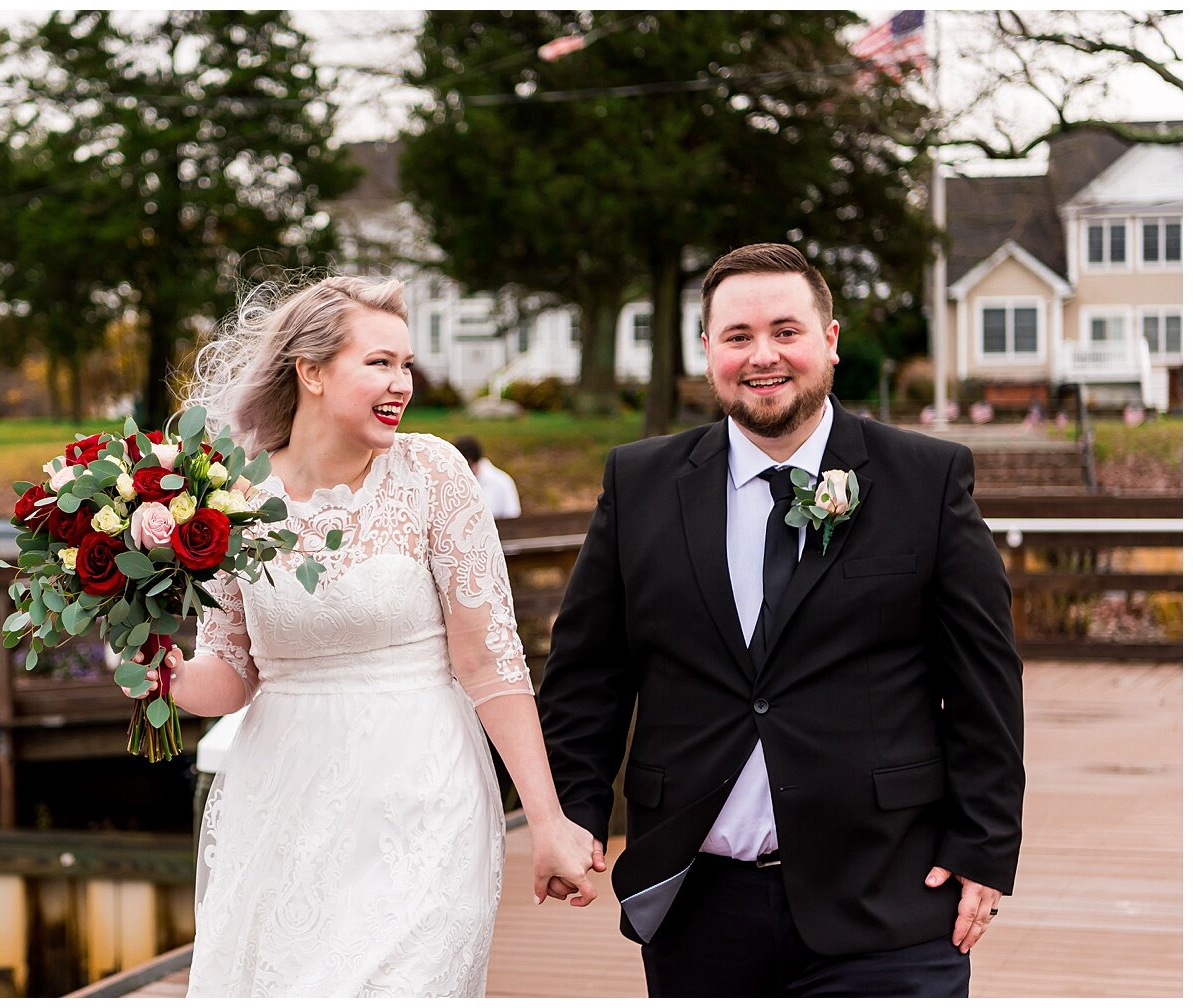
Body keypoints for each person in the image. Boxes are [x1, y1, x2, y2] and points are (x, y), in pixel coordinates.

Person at [536, 243, 1025, 997]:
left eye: (786, 331)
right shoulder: (638, 484)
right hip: (697, 903)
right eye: (737, 336)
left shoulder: (926, 480)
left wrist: (984, 849)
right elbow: (587, 676)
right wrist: (572, 814)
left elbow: (984, 683)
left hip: (890, 894)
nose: (763, 356)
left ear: (829, 341)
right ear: (707, 351)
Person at [143, 275, 600, 997]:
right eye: (379, 362)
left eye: (406, 365)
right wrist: (158, 668)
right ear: (312, 371)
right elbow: (230, 672)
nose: (401, 384)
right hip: (283, 799)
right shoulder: (230, 499)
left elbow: (490, 661)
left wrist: (547, 822)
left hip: (422, 798)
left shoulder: (434, 475)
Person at [454, 435, 523, 519]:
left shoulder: (502, 482)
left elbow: (512, 516)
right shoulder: (452, 482)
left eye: (468, 466)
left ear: (476, 461)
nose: (465, 471)